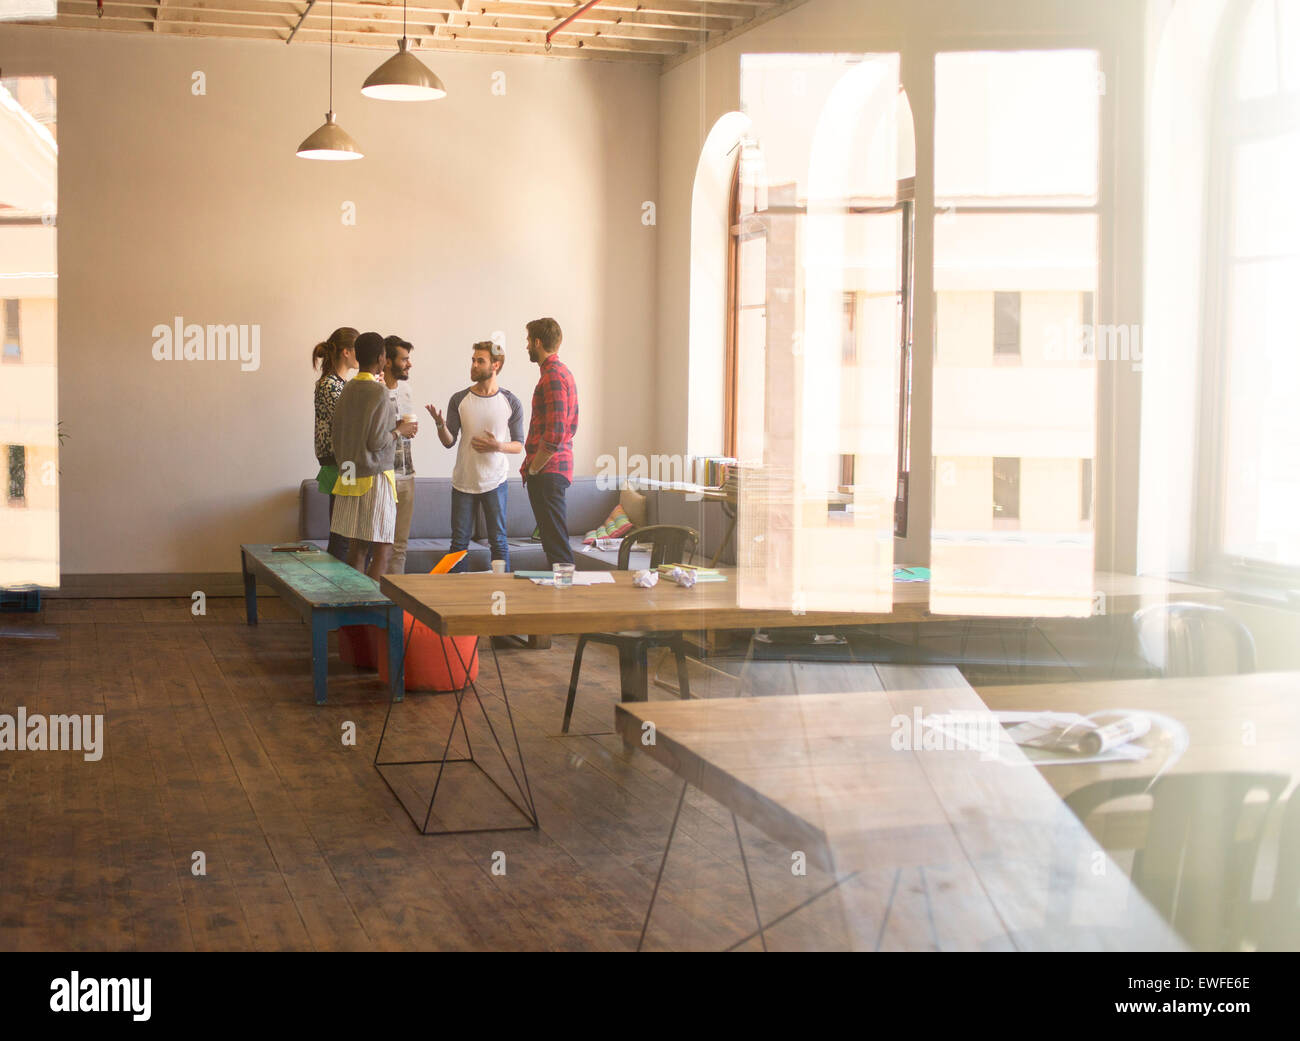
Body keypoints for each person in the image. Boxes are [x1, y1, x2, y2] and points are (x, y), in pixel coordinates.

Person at [426, 341, 524, 572]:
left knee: (498, 542)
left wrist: (496, 445)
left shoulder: (511, 401)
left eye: (480, 361)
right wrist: (440, 425)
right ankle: (457, 602)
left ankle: (503, 595)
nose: (474, 365)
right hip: (464, 482)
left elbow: (519, 445)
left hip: (495, 482)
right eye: (473, 360)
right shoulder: (459, 399)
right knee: (458, 545)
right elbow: (449, 442)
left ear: (496, 365)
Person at [330, 332, 418, 580]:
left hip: (349, 475)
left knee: (357, 547)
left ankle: (352, 604)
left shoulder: (346, 389)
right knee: (383, 548)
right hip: (375, 478)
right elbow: (377, 441)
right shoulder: (378, 392)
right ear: (382, 358)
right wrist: (398, 430)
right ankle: (375, 609)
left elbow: (338, 436)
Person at [519, 317, 578, 567]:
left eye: (528, 341)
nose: (526, 347)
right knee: (553, 542)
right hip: (553, 469)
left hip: (548, 471)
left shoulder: (553, 376)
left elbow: (555, 433)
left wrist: (534, 468)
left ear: (538, 342)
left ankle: (564, 600)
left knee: (556, 545)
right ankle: (558, 598)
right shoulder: (560, 372)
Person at [311, 327, 357, 561]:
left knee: (344, 532)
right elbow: (346, 423)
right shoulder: (331, 385)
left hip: (342, 463)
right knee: (342, 533)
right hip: (340, 464)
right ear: (347, 352)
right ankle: (336, 590)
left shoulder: (339, 384)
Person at [383, 335, 419, 575]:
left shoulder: (406, 389)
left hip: (407, 475)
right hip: (383, 476)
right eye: (404, 359)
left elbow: (405, 428)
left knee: (400, 545)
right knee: (379, 544)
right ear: (387, 361)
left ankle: (396, 604)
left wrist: (408, 429)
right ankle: (373, 600)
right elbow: (369, 435)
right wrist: (398, 429)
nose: (409, 364)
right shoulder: (374, 390)